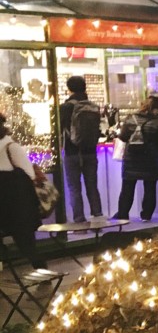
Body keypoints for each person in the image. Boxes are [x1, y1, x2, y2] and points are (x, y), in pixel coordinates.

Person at [0, 113, 47, 268]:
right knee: (25, 242)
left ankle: (42, 271)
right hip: (9, 204)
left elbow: (29, 174)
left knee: (26, 242)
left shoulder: (10, 146)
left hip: (16, 204)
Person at [114, 96, 158, 222]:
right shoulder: (157, 123)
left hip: (131, 158)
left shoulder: (130, 119)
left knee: (127, 187)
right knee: (150, 187)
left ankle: (123, 214)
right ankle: (146, 215)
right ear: (155, 109)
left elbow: (122, 137)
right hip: (150, 159)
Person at [59, 74, 104, 223]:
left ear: (69, 89)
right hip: (91, 152)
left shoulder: (65, 107)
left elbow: (59, 129)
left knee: (74, 188)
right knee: (92, 186)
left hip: (72, 152)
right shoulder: (93, 106)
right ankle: (98, 217)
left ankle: (79, 221)